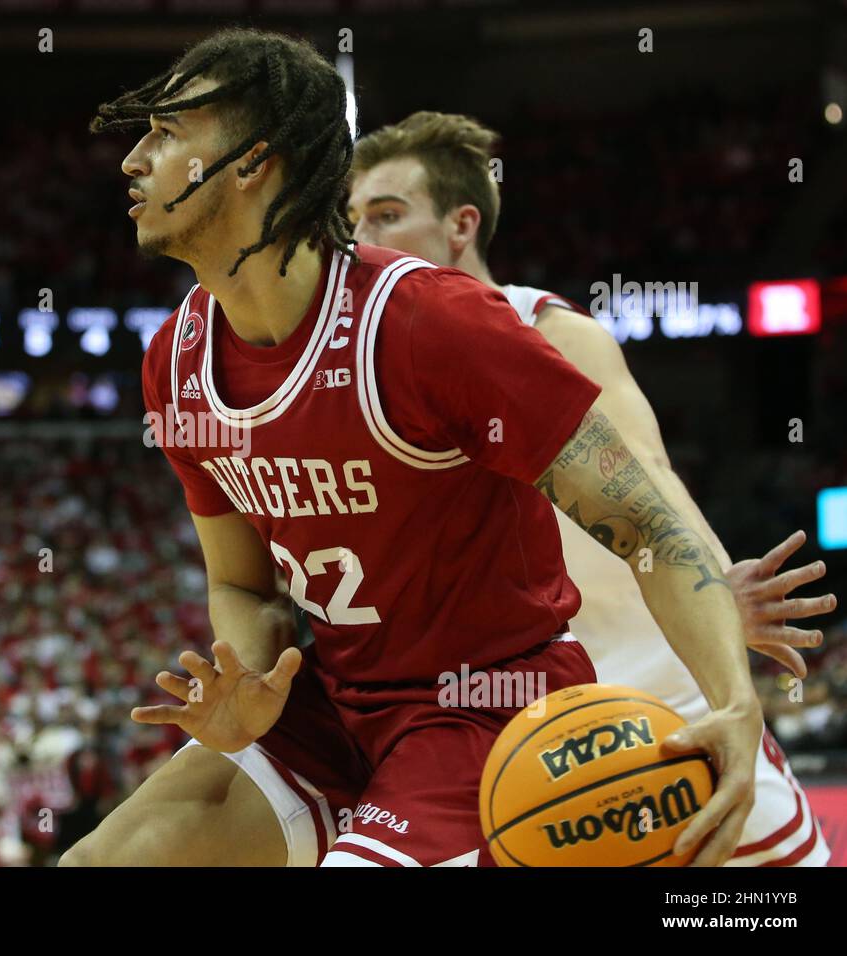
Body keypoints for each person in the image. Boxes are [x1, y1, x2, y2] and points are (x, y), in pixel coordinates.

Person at [66, 27, 760, 869]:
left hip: (489, 709)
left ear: (252, 162)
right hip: (329, 706)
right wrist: (249, 681)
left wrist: (736, 700)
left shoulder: (435, 325)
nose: (134, 160)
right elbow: (240, 582)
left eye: (167, 133)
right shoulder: (173, 364)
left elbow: (649, 525)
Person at [343, 110, 833, 865]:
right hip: (514, 704)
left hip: (658, 678)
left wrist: (711, 583)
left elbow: (651, 478)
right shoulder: (371, 368)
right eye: (351, 218)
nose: (360, 238)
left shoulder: (547, 331)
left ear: (461, 225)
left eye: (386, 214)